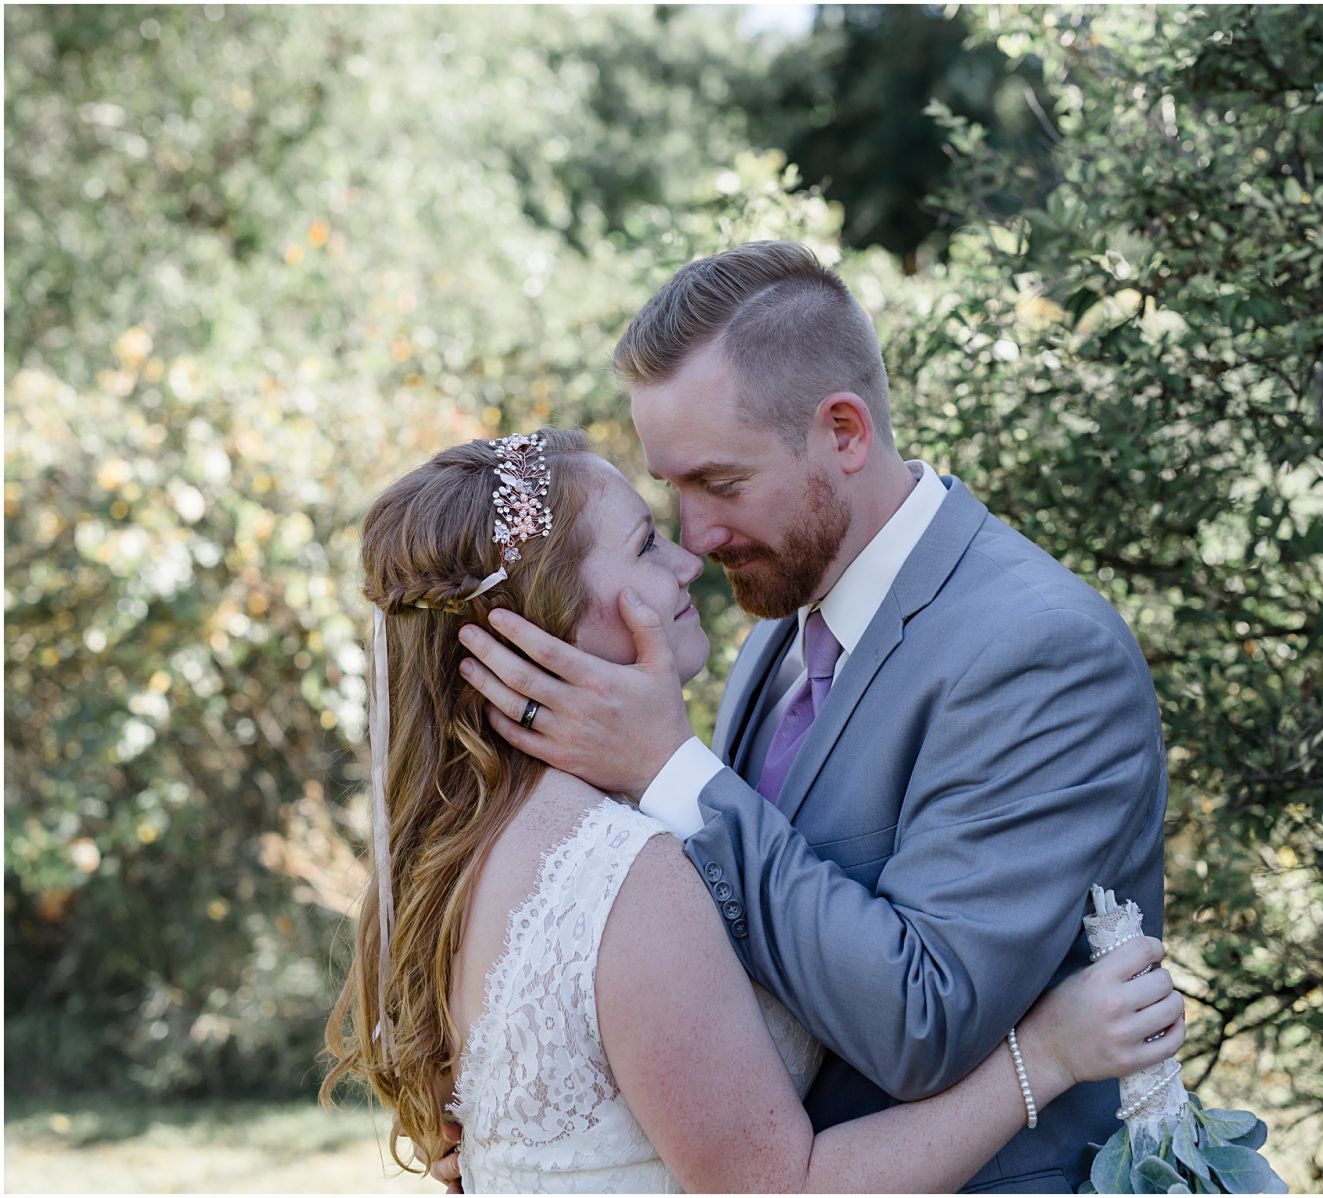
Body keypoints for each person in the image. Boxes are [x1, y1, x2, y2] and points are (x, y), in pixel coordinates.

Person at [454, 242, 1170, 1191]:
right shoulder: (782, 629)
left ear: (843, 432)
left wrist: (673, 773)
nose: (696, 537)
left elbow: (927, 1023)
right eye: (674, 489)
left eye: (720, 484)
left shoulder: (1039, 652)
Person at [322, 430, 1185, 1192]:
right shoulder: (618, 873)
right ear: (552, 624)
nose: (688, 558)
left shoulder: (468, 850)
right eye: (648, 544)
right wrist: (1048, 1055)